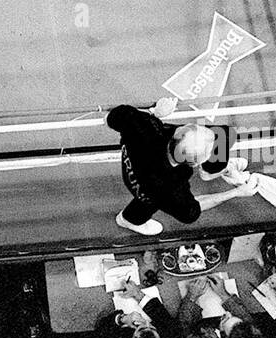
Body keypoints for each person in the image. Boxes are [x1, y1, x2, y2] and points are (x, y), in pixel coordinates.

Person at [106, 100, 247, 236]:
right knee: (149, 202)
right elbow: (190, 213)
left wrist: (154, 113)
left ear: (178, 132)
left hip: (135, 163)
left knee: (223, 134)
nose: (214, 149)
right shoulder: (170, 187)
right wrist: (236, 192)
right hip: (145, 190)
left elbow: (111, 117)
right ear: (194, 164)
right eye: (209, 152)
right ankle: (128, 220)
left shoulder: (144, 126)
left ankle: (211, 171)